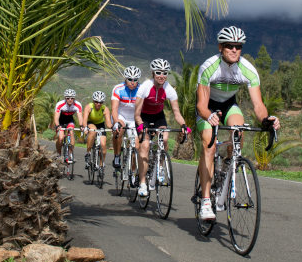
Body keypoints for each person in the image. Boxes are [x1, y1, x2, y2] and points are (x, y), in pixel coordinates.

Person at [195, 26, 280, 220]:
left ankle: (226, 168)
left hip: (229, 104)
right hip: (207, 107)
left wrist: (267, 120)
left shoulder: (248, 69)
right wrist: (209, 116)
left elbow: (258, 105)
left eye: (238, 46)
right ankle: (206, 201)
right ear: (220, 47)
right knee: (208, 142)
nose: (234, 50)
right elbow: (201, 105)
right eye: (229, 46)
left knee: (238, 133)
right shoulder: (209, 67)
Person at [134, 59, 187, 198]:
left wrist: (183, 125)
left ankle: (161, 167)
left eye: (164, 73)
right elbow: (136, 114)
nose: (161, 76)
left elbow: (177, 113)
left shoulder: (169, 88)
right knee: (144, 146)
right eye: (158, 72)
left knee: (164, 139)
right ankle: (143, 183)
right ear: (153, 73)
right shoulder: (145, 87)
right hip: (143, 117)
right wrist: (141, 126)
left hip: (158, 116)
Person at [110, 66, 142, 169]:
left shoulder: (141, 90)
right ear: (125, 79)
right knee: (119, 130)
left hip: (134, 118)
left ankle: (133, 173)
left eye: (135, 80)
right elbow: (114, 109)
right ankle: (117, 155)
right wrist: (116, 122)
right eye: (130, 79)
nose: (132, 82)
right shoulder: (118, 89)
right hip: (121, 115)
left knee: (136, 146)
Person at [82, 91, 112, 169]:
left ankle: (101, 165)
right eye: (96, 102)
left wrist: (112, 128)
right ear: (93, 101)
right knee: (93, 130)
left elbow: (108, 123)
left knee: (103, 145)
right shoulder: (89, 107)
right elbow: (84, 120)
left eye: (100, 102)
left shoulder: (105, 109)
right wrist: (85, 127)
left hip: (100, 125)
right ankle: (88, 153)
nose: (98, 104)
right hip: (91, 123)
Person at [53, 89, 83, 161]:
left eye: (72, 98)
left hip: (70, 120)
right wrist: (57, 125)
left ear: (74, 98)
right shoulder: (60, 104)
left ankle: (70, 154)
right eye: (68, 98)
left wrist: (81, 125)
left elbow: (80, 117)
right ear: (65, 98)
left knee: (71, 132)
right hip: (60, 121)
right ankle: (58, 153)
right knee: (60, 138)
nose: (70, 100)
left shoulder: (78, 105)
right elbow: (56, 117)